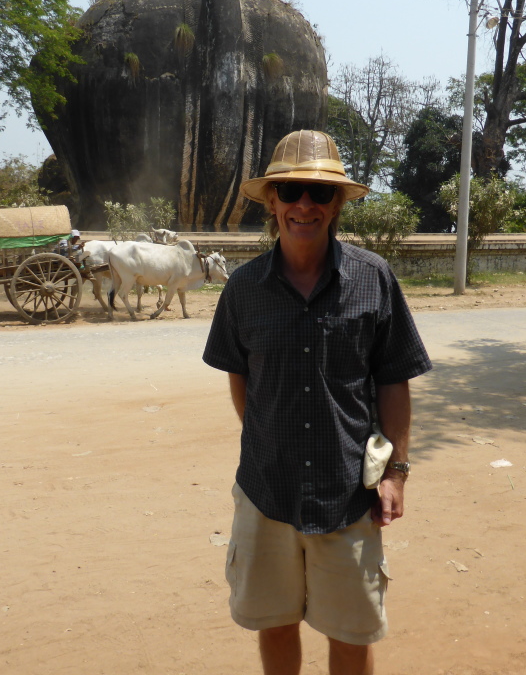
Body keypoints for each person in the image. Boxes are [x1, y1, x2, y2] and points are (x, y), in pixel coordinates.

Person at [203, 130, 432, 675]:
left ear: (336, 206)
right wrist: (269, 433)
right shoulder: (243, 289)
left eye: (319, 193)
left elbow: (394, 381)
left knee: (351, 634)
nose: (304, 204)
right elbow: (241, 380)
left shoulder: (373, 279)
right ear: (272, 202)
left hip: (347, 495)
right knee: (275, 625)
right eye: (291, 191)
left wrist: (396, 471)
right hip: (266, 492)